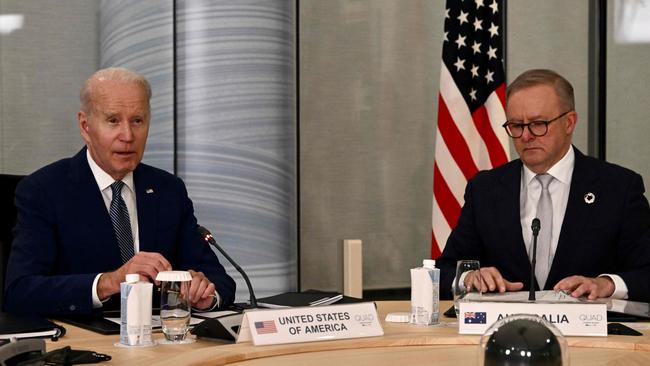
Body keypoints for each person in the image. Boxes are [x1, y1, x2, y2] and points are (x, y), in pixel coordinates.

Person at [4, 67, 236, 315]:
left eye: (137, 121)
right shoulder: (43, 191)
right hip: (85, 344)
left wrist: (205, 293)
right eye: (113, 120)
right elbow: (19, 292)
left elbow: (220, 280)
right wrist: (110, 282)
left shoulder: (168, 190)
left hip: (161, 344)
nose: (127, 136)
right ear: (85, 126)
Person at [437, 69, 650, 302]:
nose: (526, 136)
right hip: (505, 332)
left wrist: (606, 284)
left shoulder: (619, 188)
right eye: (516, 125)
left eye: (538, 124)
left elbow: (646, 272)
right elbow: (444, 271)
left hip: (589, 334)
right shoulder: (485, 189)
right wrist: (469, 278)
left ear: (569, 122)